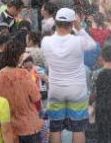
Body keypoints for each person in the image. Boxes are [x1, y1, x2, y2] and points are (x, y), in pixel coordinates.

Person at [41, 8, 97, 143]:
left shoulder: (46, 42)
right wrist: (80, 28)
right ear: (72, 24)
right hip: (76, 90)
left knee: (55, 128)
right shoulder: (78, 41)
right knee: (78, 129)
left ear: (55, 22)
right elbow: (93, 45)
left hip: (56, 89)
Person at [0, 39, 42, 142]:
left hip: (10, 129)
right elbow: (36, 97)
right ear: (19, 56)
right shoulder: (24, 74)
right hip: (29, 126)